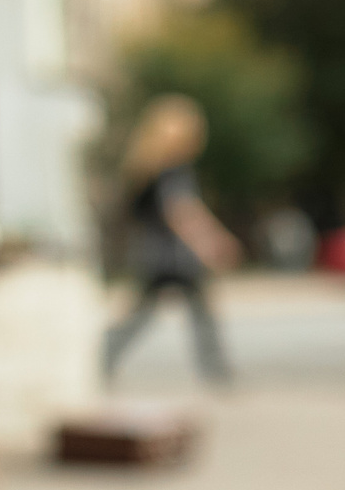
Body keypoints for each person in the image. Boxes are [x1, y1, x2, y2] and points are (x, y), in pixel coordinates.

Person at [102, 93, 242, 386]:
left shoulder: (144, 170)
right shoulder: (172, 170)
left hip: (153, 253)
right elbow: (181, 212)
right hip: (174, 256)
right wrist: (211, 243)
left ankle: (103, 357)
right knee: (191, 316)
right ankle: (216, 371)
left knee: (150, 315)